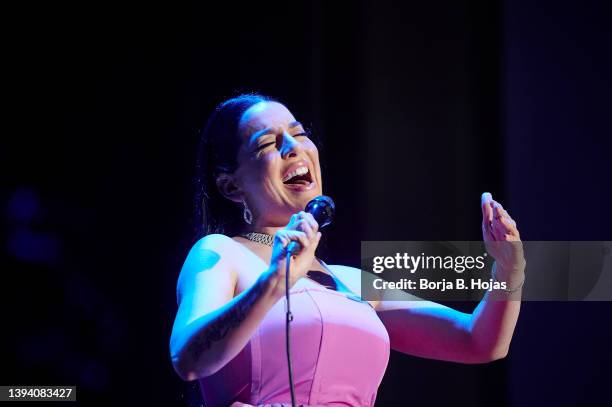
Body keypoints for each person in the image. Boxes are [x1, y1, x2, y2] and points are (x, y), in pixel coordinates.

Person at [169, 93, 526, 407]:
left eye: (298, 134)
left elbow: (478, 341)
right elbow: (188, 359)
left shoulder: (353, 282)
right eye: (267, 144)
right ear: (231, 187)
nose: (292, 147)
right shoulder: (219, 253)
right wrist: (276, 282)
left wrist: (508, 272)